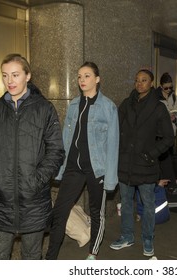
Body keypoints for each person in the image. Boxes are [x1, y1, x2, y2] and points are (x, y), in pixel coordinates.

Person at [0, 53, 65, 260]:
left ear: (28, 76)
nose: (10, 81)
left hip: (34, 200)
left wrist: (37, 180)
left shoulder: (44, 109)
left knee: (32, 257)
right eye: (5, 75)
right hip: (1, 200)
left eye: (15, 75)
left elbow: (55, 150)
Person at [45, 62, 119, 260]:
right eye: (79, 76)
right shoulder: (74, 105)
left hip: (97, 169)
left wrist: (110, 178)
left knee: (97, 213)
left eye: (87, 76)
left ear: (97, 79)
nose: (82, 80)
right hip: (73, 167)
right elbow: (65, 138)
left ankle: (92, 254)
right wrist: (60, 168)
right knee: (60, 212)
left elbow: (113, 146)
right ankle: (50, 258)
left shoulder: (108, 107)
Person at [110, 69, 174, 257]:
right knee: (127, 203)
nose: (139, 84)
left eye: (144, 80)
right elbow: (115, 129)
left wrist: (151, 154)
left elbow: (169, 138)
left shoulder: (158, 107)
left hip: (146, 165)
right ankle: (127, 236)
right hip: (125, 164)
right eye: (137, 80)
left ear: (152, 83)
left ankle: (148, 239)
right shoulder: (126, 104)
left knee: (147, 204)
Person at [156, 72, 177, 191]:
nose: (169, 90)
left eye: (171, 87)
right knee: (163, 160)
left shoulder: (174, 96)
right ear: (161, 86)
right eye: (166, 88)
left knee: (169, 159)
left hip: (171, 132)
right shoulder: (155, 97)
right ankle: (167, 184)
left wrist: (175, 118)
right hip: (159, 133)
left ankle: (169, 184)